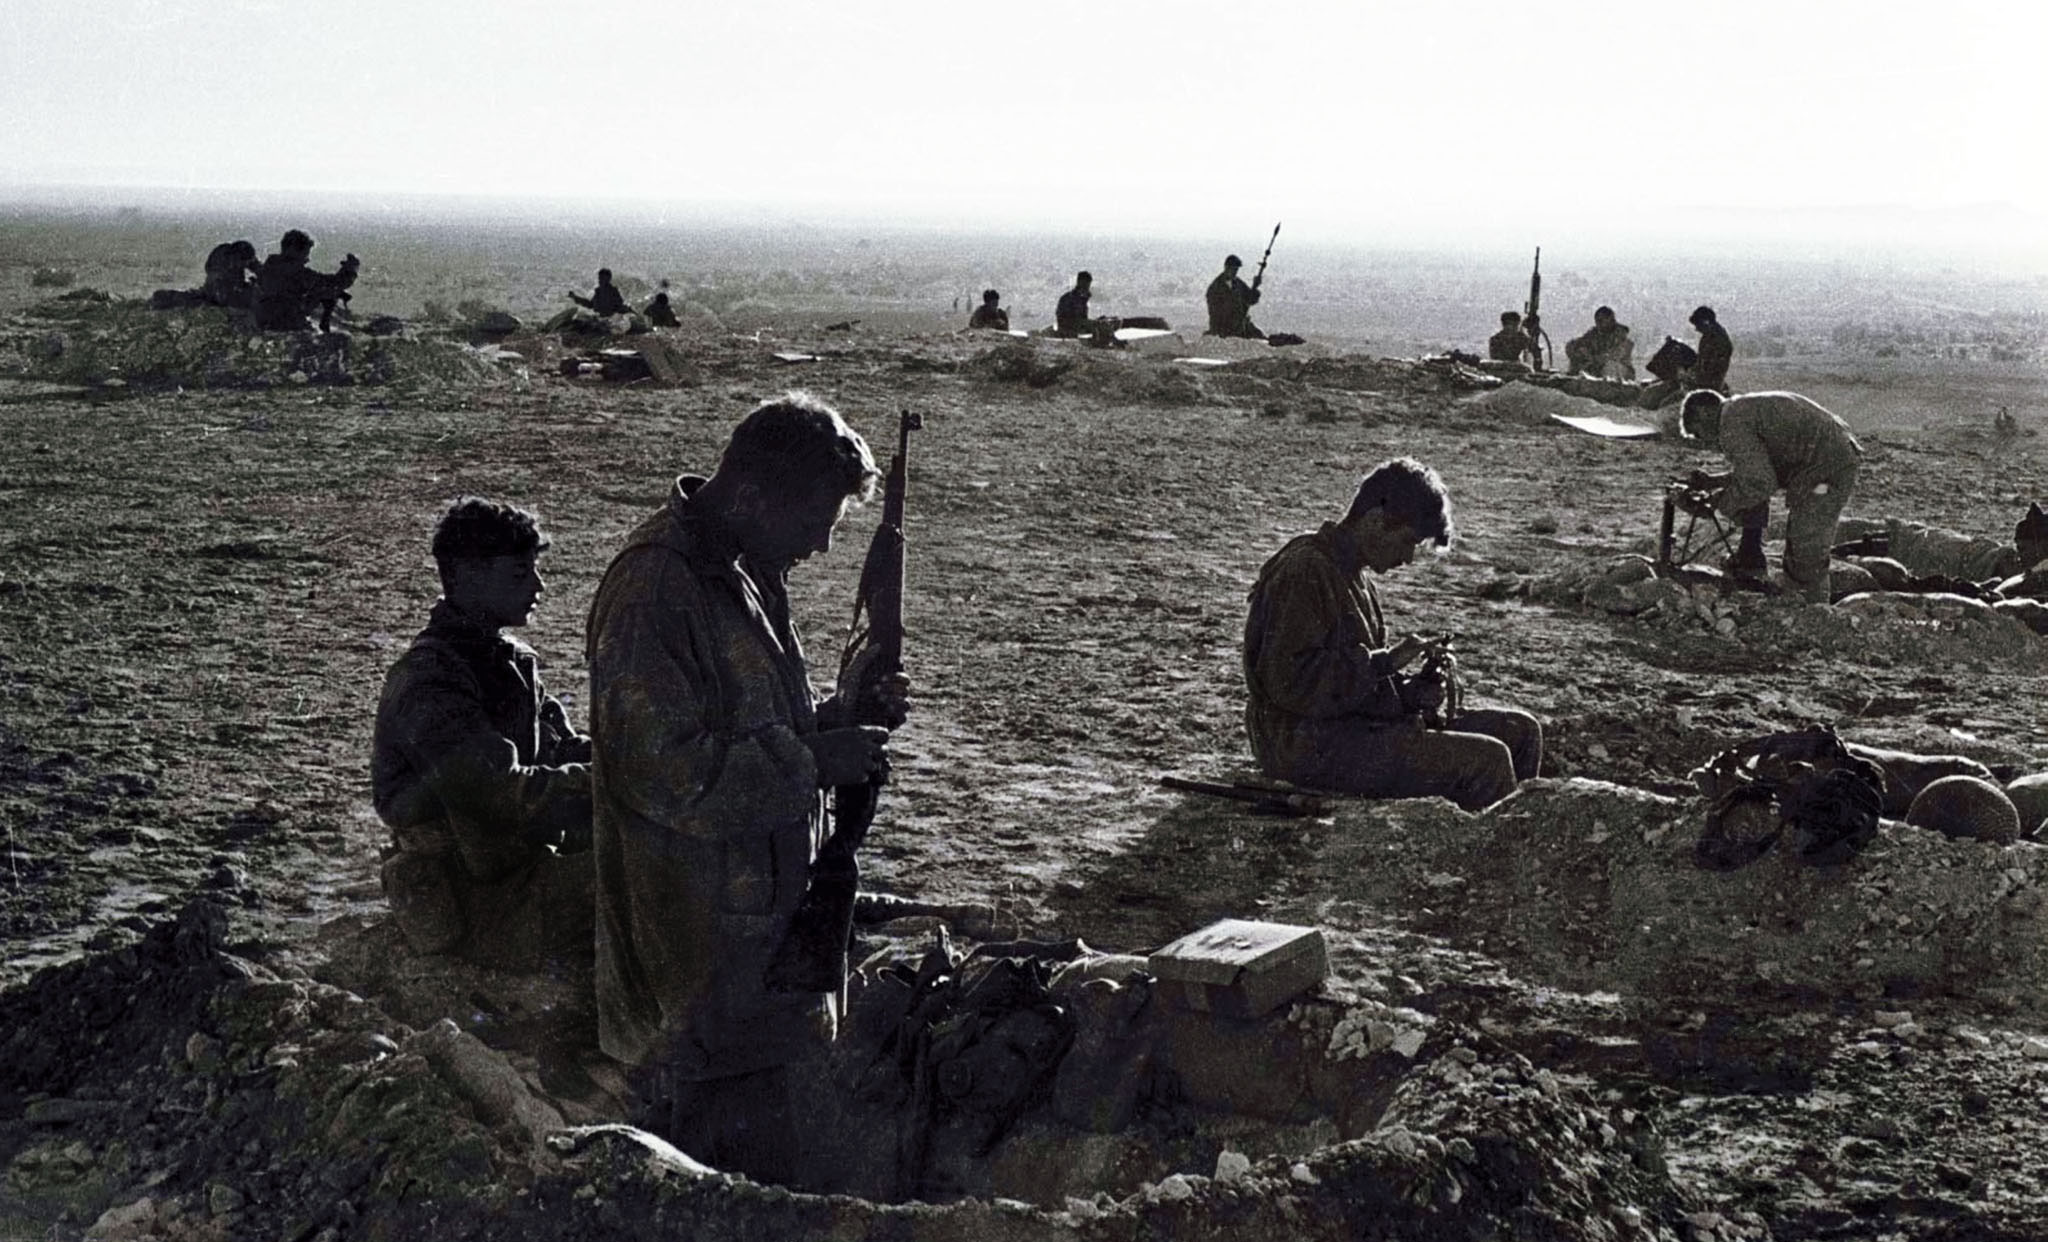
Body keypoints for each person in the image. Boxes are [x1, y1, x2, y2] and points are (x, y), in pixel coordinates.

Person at [585, 393, 905, 1183]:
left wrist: (838, 719)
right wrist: (813, 764)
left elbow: (752, 722)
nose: (823, 549)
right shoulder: (656, 591)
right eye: (812, 527)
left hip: (752, 949)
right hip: (690, 970)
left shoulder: (743, 570)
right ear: (754, 497)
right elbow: (664, 773)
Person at [371, 497, 595, 976]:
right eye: (519, 574)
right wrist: (613, 780)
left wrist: (640, 756)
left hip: (513, 871)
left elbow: (561, 747)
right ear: (469, 576)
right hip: (479, 902)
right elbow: (498, 794)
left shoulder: (509, 661)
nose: (539, 586)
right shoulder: (430, 679)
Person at [1243, 459, 1543, 812]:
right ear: (1374, 521)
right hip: (1304, 745)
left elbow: (1353, 683)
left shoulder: (1354, 574)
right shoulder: (1306, 569)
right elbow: (1288, 682)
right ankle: (1492, 862)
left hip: (1343, 729)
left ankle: (1515, 848)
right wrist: (1382, 663)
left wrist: (1410, 693)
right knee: (1487, 760)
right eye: (1407, 542)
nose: (1408, 558)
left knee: (1522, 732)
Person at [1679, 390, 1862, 602]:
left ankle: (1813, 612)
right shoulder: (1740, 410)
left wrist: (1717, 502)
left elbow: (1760, 482)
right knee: (1799, 543)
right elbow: (1762, 470)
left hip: (1827, 469)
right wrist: (1714, 481)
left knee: (1806, 548)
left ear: (1704, 414)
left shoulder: (1731, 424)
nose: (1704, 441)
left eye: (1699, 433)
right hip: (1825, 459)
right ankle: (1752, 557)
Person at [251, 229, 337, 331]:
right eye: (305, 253)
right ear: (294, 250)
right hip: (288, 326)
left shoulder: (269, 266)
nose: (307, 259)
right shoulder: (297, 272)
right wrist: (350, 270)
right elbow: (334, 283)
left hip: (265, 324)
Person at [1564, 306, 1635, 379]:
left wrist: (1592, 358)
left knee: (1611, 366)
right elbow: (1573, 345)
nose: (1599, 323)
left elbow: (1613, 356)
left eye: (1602, 320)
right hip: (1598, 370)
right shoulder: (1594, 334)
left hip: (1621, 374)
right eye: (1598, 320)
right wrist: (1579, 353)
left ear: (1611, 319)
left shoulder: (1622, 337)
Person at [1204, 255, 1265, 339]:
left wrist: (1255, 287)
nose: (1235, 272)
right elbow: (1215, 314)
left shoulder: (1237, 283)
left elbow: (1250, 299)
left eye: (1236, 270)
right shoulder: (1215, 288)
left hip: (1241, 326)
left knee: (1262, 339)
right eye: (1233, 269)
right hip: (1225, 329)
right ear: (1226, 267)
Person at [201, 240, 259, 309]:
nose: (246, 264)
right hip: (218, 286)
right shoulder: (220, 260)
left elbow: (259, 269)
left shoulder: (245, 256)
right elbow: (211, 275)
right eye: (244, 262)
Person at [1690, 305, 1733, 394]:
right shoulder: (1709, 336)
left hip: (1710, 386)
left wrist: (1696, 378)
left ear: (1706, 322)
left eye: (1698, 325)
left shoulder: (1719, 339)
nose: (1697, 329)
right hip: (1706, 384)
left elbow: (1713, 368)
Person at [1053, 271, 1094, 338]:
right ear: (1080, 282)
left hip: (1077, 327)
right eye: (1086, 284)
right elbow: (1063, 319)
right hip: (1067, 329)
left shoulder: (1082, 299)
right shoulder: (1069, 299)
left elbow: (1083, 318)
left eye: (1088, 285)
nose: (1087, 287)